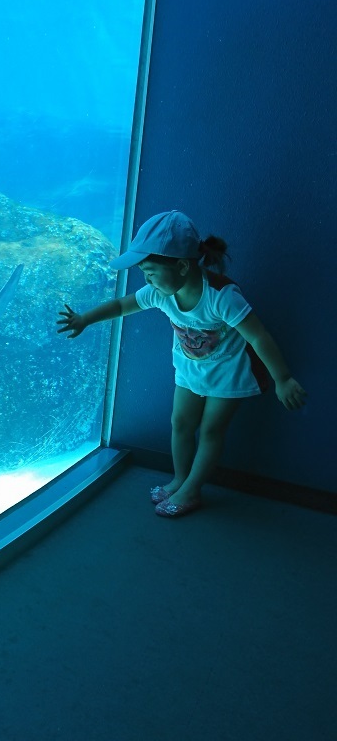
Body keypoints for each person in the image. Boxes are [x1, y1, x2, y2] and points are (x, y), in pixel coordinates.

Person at [57, 210, 307, 518]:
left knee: (212, 430)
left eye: (150, 272)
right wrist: (85, 319)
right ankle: (179, 478)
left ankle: (192, 490)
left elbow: (258, 337)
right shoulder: (161, 293)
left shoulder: (222, 296)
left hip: (228, 373)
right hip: (190, 369)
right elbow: (123, 305)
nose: (146, 279)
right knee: (180, 423)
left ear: (181, 266)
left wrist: (282, 378)